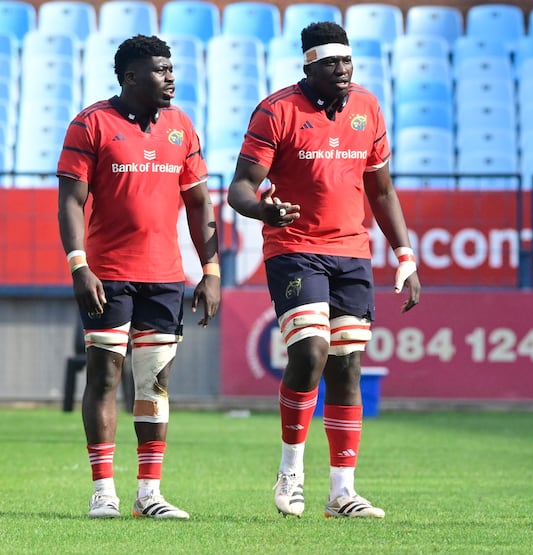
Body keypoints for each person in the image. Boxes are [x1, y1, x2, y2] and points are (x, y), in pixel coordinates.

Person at [227, 21, 420, 519]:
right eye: (331, 63)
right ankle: (291, 472)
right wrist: (265, 211)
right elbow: (241, 189)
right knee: (311, 352)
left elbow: (382, 190)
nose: (342, 71)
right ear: (308, 66)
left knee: (348, 365)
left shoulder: (368, 107)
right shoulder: (277, 110)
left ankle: (342, 492)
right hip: (294, 247)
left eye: (348, 61)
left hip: (352, 252)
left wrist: (405, 255)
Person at [57, 35, 221, 519]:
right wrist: (78, 264)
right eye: (160, 71)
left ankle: (149, 493)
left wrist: (210, 270)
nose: (171, 78)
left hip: (165, 277)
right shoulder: (91, 123)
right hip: (107, 275)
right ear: (131, 77)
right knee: (105, 376)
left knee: (154, 383)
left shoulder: (181, 126)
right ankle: (103, 490)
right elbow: (70, 200)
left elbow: (199, 204)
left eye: (172, 69)